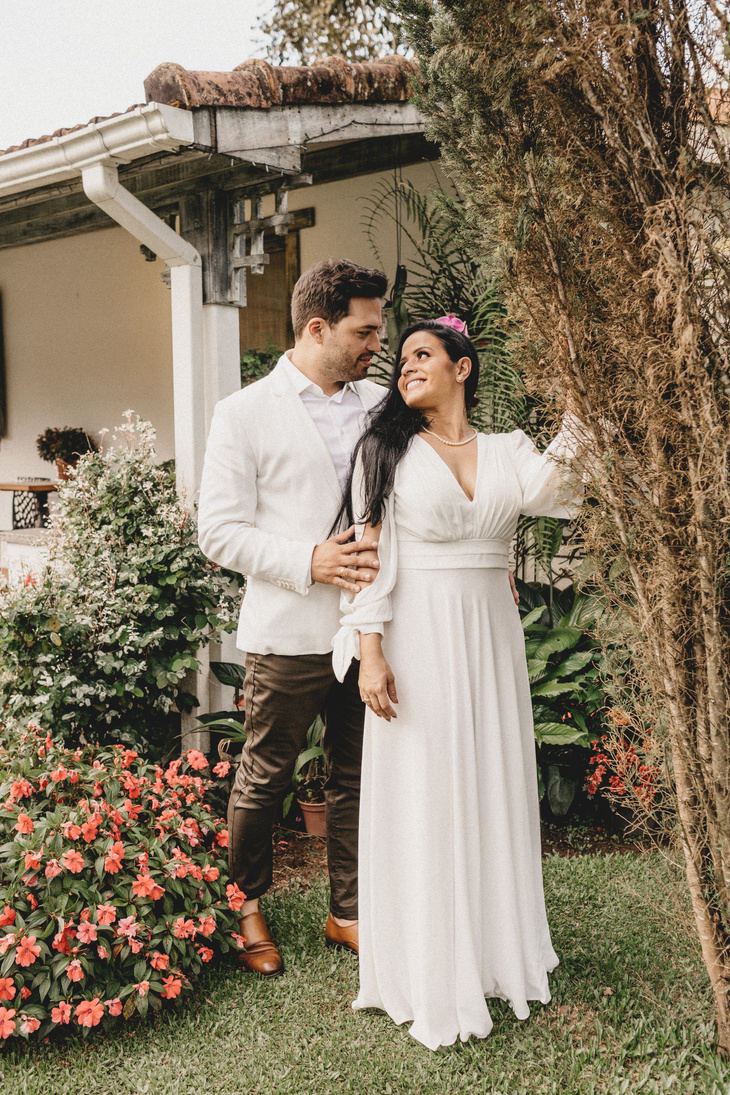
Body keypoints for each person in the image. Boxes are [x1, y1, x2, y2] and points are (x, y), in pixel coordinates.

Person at [332, 318, 585, 1050]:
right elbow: (366, 558)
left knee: (492, 780)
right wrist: (371, 651)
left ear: (462, 368)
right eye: (401, 358)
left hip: (491, 639)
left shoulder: (508, 450)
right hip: (419, 637)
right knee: (430, 789)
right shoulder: (386, 451)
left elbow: (556, 485)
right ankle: (431, 963)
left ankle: (499, 952)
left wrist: (580, 400)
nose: (405, 367)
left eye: (421, 355)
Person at [197, 258, 389, 977]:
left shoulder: (379, 405)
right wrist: (308, 559)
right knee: (265, 773)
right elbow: (216, 530)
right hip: (289, 629)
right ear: (317, 327)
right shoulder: (242, 413)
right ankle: (244, 900)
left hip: (369, 629)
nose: (377, 343)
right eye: (364, 330)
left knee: (358, 772)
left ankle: (350, 910)